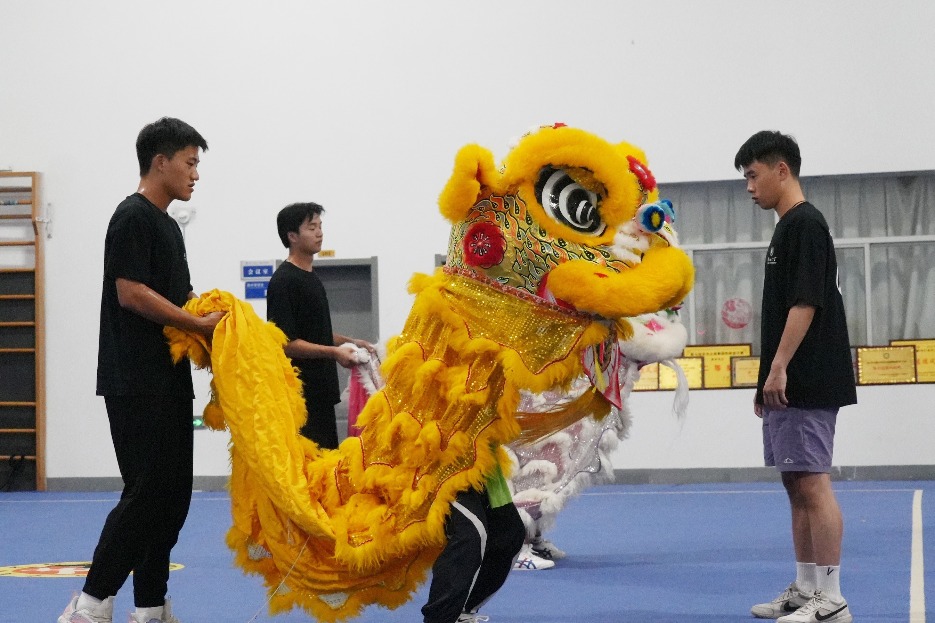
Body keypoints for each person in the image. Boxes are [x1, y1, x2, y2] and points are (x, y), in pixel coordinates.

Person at [59, 117, 224, 623]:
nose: (196, 174)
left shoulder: (169, 227)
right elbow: (130, 293)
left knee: (172, 501)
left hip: (168, 380)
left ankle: (151, 607)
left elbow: (182, 299)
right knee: (147, 492)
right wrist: (196, 321)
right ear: (160, 161)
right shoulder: (131, 217)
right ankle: (89, 605)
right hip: (133, 379)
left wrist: (227, 325)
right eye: (190, 163)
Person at [735, 131, 856, 623]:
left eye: (752, 175)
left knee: (812, 481)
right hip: (786, 380)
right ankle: (808, 587)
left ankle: (832, 599)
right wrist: (766, 377)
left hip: (808, 374)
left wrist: (781, 366)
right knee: (794, 481)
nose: (748, 187)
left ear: (781, 170)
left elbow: (806, 302)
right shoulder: (786, 228)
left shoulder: (806, 225)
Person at [266, 202, 375, 449]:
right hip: (301, 397)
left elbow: (317, 333)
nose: (319, 232)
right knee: (310, 471)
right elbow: (287, 342)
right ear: (292, 236)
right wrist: (334, 353)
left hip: (322, 393)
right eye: (311, 227)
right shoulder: (284, 281)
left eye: (320, 226)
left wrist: (351, 342)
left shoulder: (310, 277)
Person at [421, 470, 527, 623]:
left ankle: (462, 612)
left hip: (478, 463)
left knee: (508, 534)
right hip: (435, 466)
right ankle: (439, 620)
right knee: (470, 532)